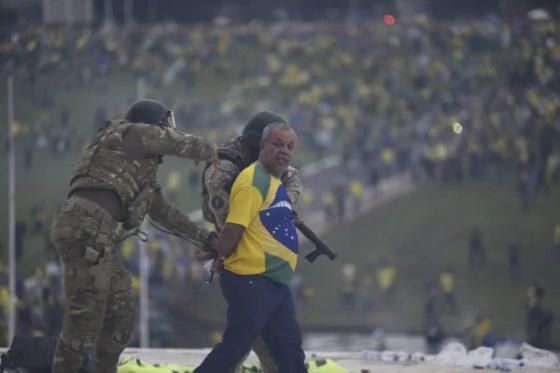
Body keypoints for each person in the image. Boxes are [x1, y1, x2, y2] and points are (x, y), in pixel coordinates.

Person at [50, 99, 217, 373]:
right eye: (165, 127)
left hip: (97, 238)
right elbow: (179, 142)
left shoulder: (138, 168)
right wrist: (215, 152)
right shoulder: (130, 134)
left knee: (121, 313)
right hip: (86, 231)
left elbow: (165, 213)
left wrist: (204, 237)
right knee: (83, 320)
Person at [194, 122, 307, 372]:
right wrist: (219, 250)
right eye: (277, 144)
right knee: (235, 347)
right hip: (252, 280)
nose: (284, 151)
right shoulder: (253, 180)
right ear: (262, 146)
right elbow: (233, 228)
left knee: (289, 349)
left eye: (290, 146)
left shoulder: (274, 180)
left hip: (274, 282)